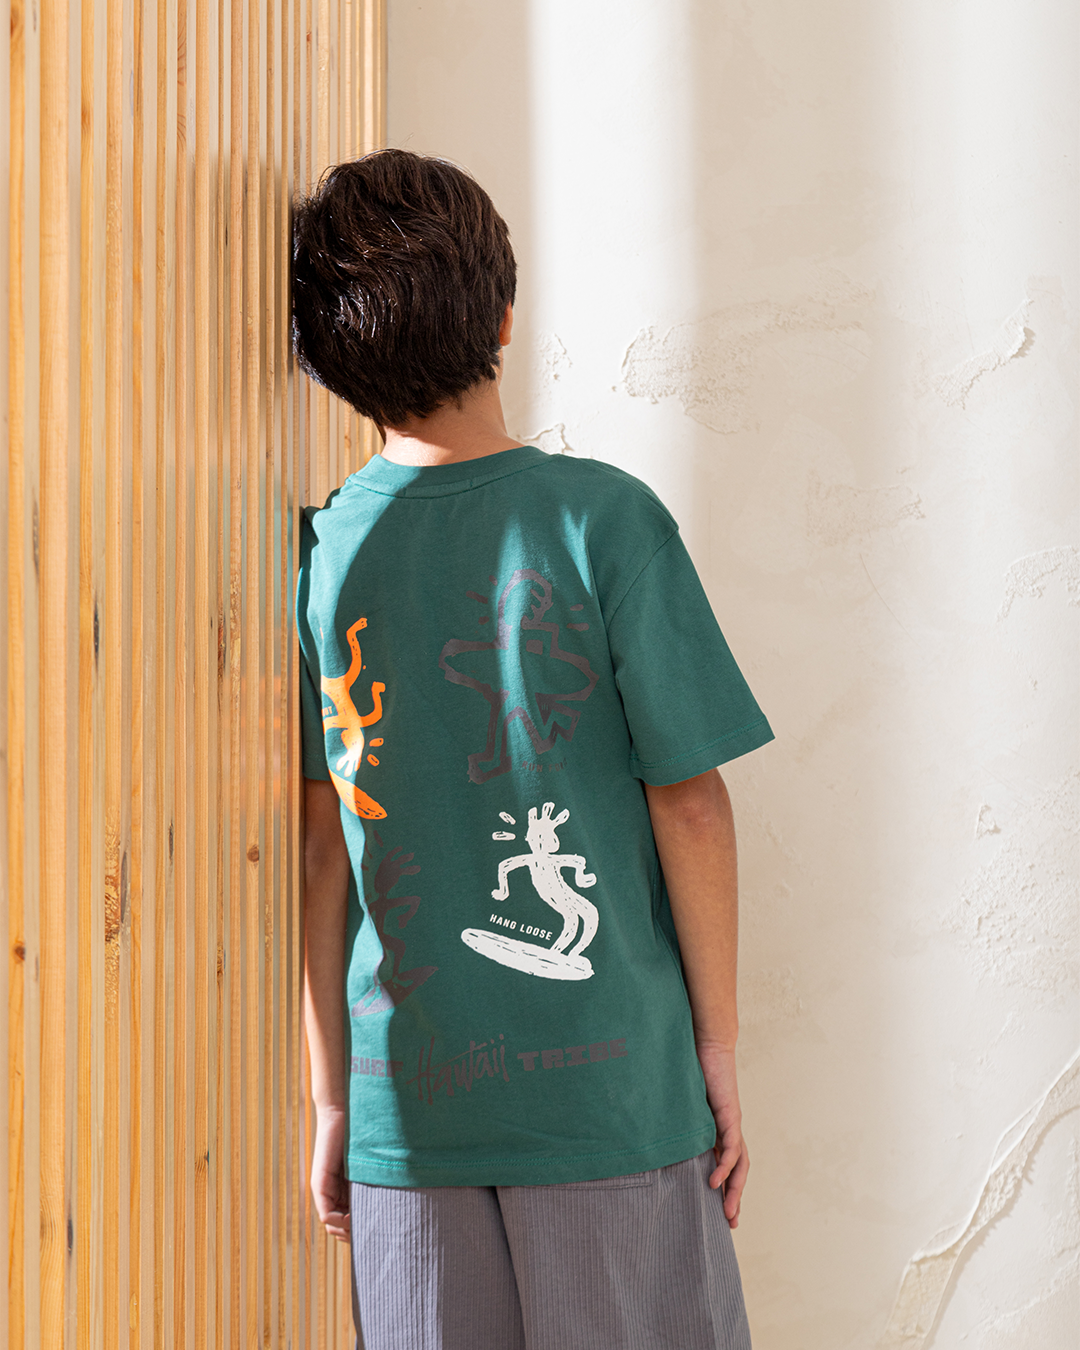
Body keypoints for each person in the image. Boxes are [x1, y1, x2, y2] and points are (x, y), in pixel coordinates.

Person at [292, 148, 774, 1350]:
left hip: (410, 1119)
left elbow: (321, 848)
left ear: (332, 364)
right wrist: (716, 1048)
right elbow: (690, 803)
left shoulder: (324, 556)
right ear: (504, 313)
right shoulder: (605, 521)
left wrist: (331, 1096)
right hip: (613, 1103)